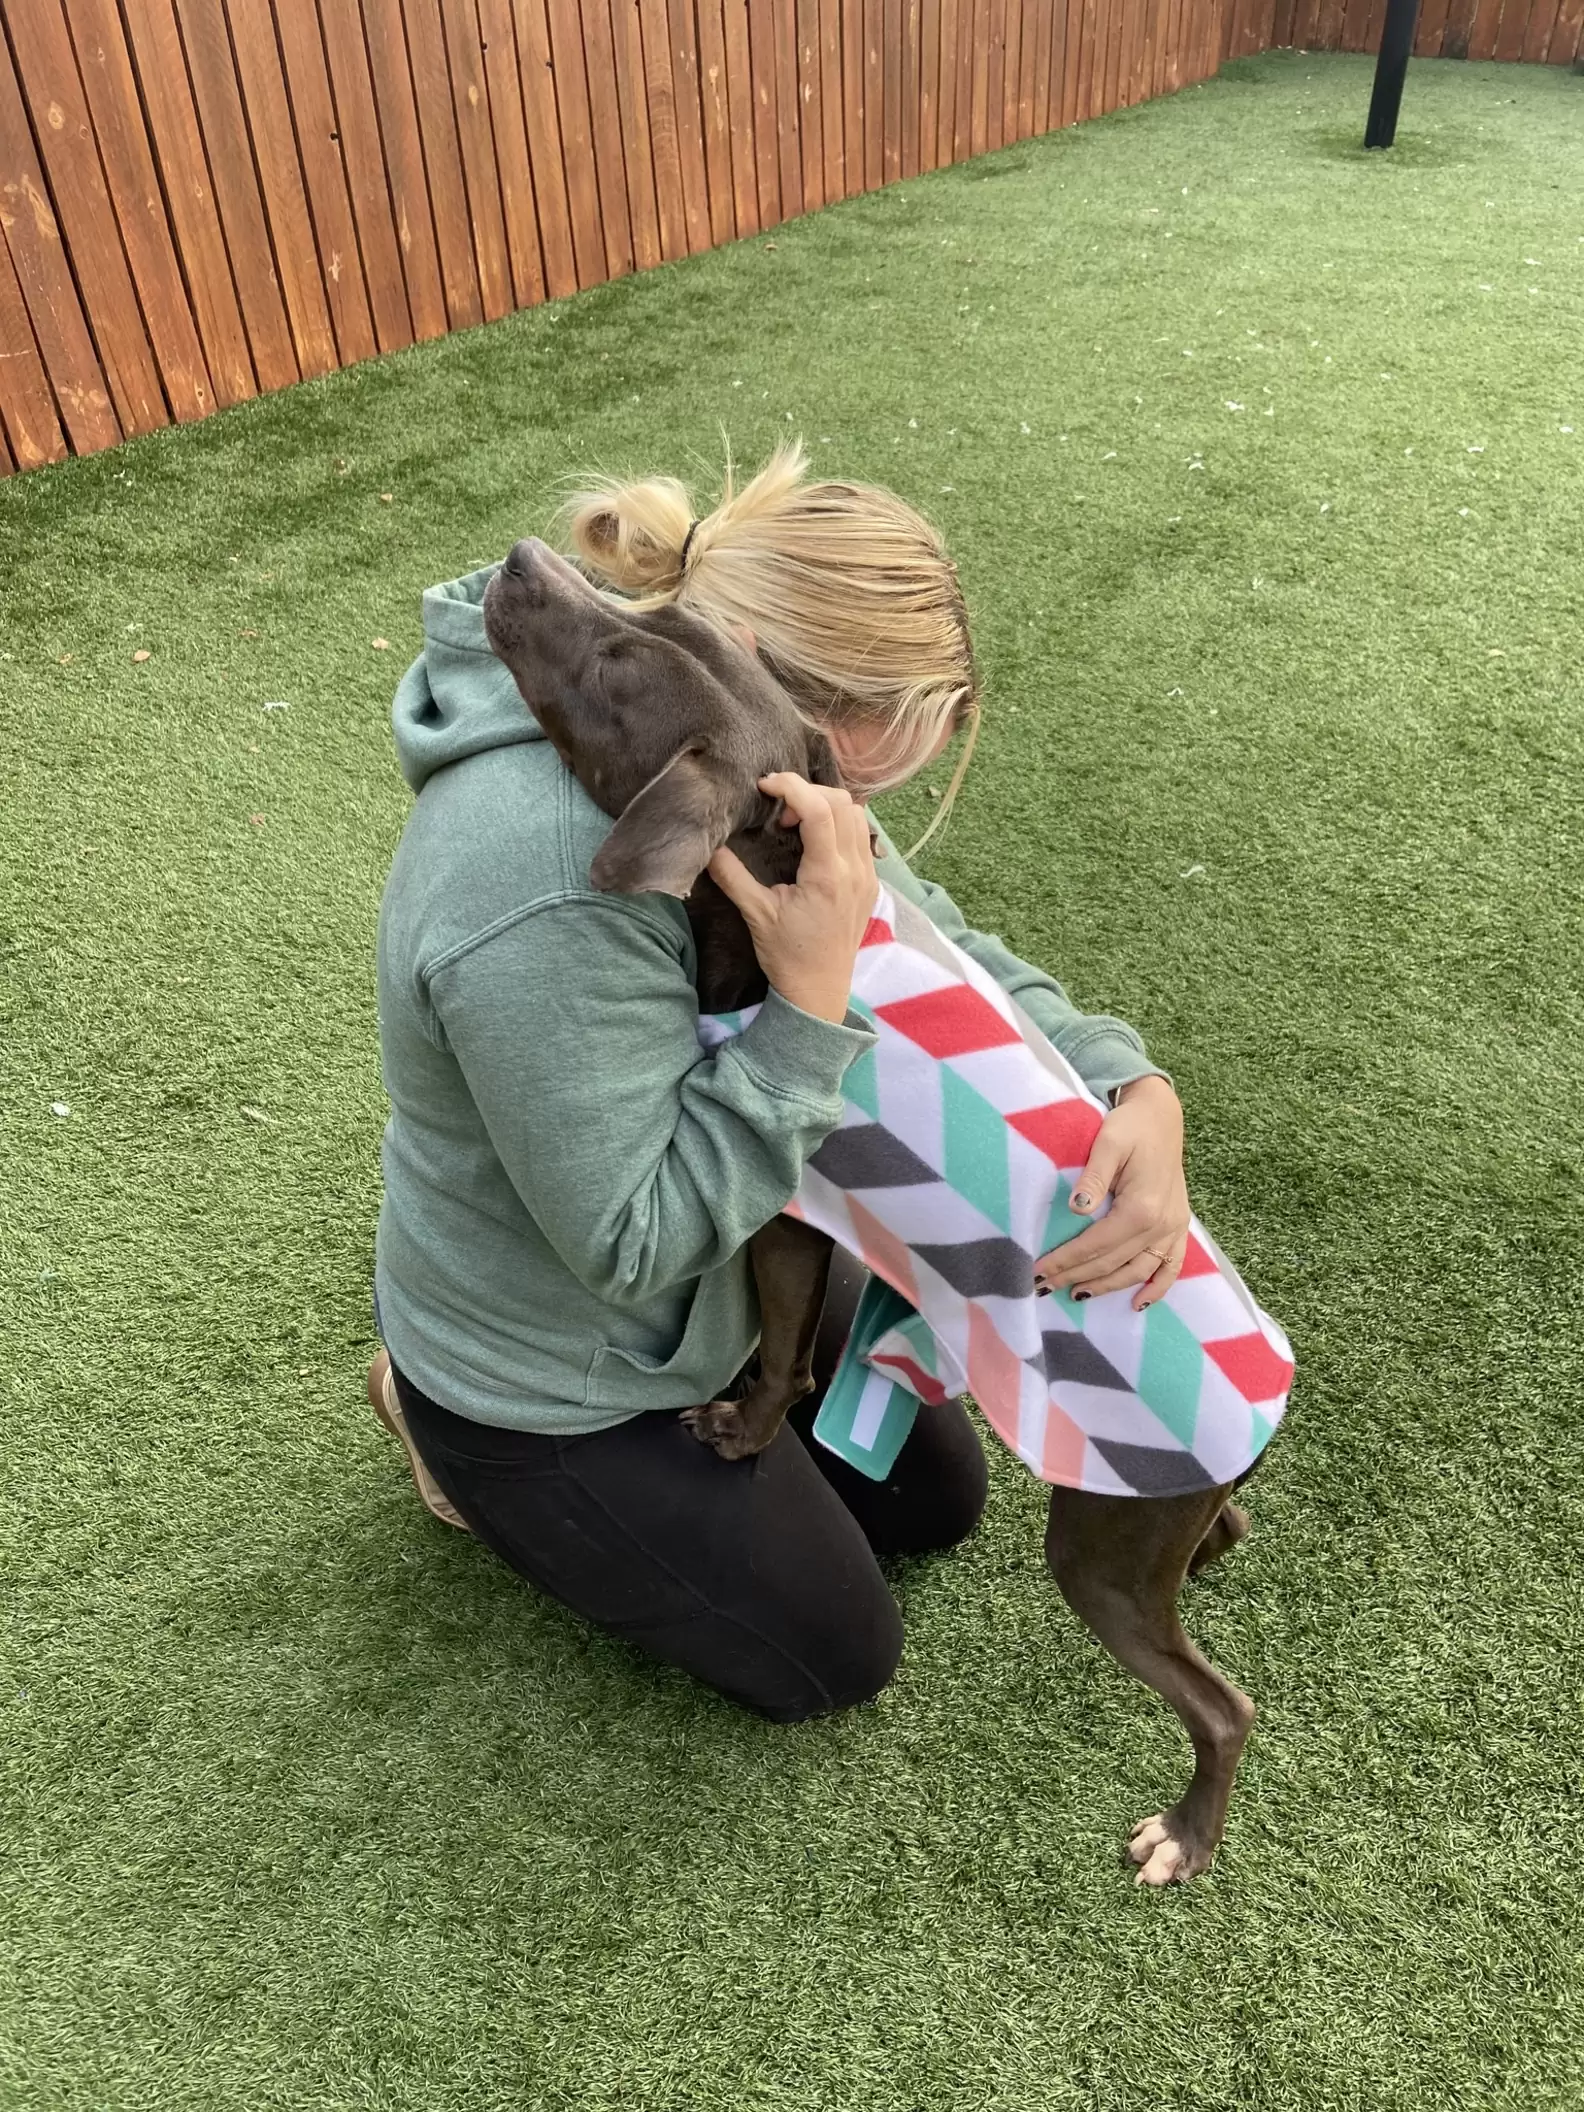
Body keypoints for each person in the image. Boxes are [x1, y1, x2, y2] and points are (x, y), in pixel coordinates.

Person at [370, 442, 1190, 1722]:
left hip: (743, 1261)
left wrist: (1131, 1088)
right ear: (745, 660)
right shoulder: (532, 886)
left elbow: (935, 942)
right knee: (832, 1656)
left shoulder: (749, 745)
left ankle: (731, 1401)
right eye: (851, 786)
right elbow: (629, 1241)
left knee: (936, 1501)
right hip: (569, 1352)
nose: (855, 825)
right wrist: (806, 1004)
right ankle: (438, 1432)